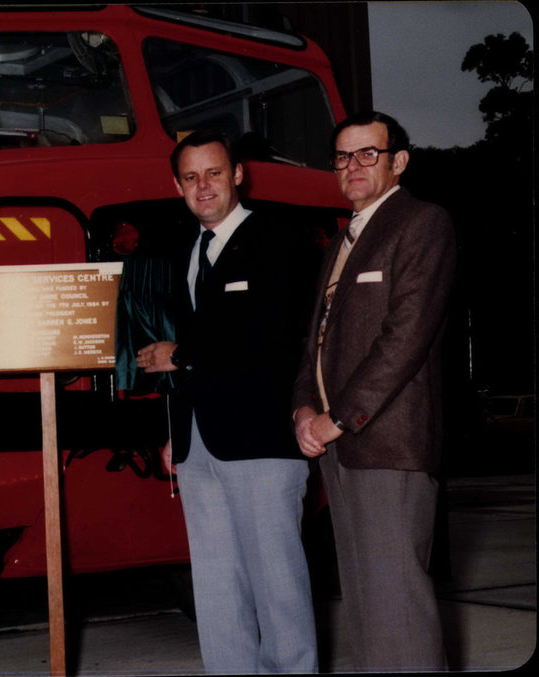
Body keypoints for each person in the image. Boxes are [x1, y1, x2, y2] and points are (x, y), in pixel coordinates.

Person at [137, 130, 318, 673]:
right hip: (200, 448)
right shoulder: (188, 249)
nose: (203, 186)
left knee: (278, 588)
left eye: (214, 173)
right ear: (177, 185)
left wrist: (181, 354)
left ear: (238, 174)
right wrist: (179, 427)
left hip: (262, 441)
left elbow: (272, 336)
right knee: (216, 589)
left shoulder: (280, 240)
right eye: (190, 177)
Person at [292, 111, 456, 670]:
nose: (353, 166)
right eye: (342, 156)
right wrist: (303, 408)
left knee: (397, 607)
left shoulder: (421, 223)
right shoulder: (342, 239)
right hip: (340, 448)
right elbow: (315, 340)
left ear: (398, 162)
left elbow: (405, 338)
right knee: (364, 607)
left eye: (368, 154)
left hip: (386, 442)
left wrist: (338, 417)